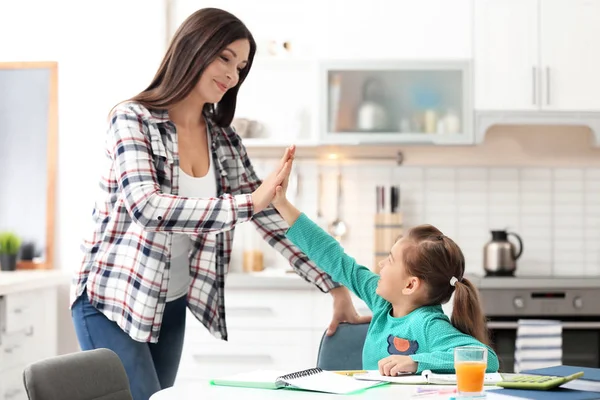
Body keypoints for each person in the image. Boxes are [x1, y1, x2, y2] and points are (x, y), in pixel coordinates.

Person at [70, 8, 368, 400]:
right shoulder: (132, 120)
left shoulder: (224, 140)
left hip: (169, 302)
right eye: (224, 57)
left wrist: (336, 288)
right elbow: (148, 207)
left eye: (242, 67)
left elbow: (273, 218)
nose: (233, 74)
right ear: (192, 48)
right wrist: (247, 202)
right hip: (111, 299)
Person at [270, 159, 500, 376]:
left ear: (410, 285)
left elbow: (487, 359)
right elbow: (333, 256)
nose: (381, 264)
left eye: (390, 260)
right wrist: (282, 204)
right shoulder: (382, 303)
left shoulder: (428, 324)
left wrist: (417, 362)